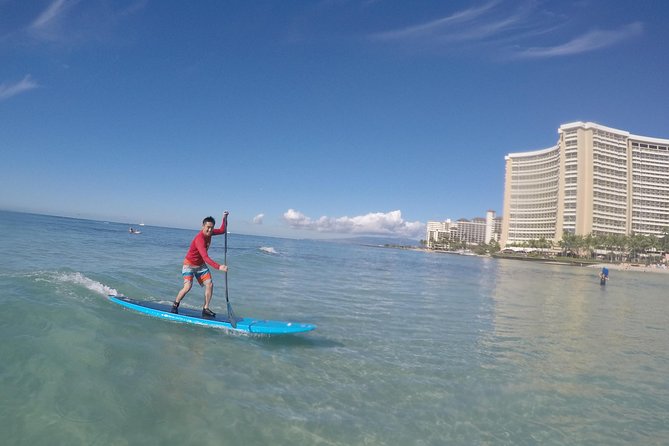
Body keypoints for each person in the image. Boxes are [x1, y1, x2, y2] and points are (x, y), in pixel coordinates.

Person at [171, 212, 229, 316]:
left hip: (200, 265)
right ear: (203, 226)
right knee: (187, 287)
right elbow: (205, 257)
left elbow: (222, 230)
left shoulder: (210, 233)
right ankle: (175, 305)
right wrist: (219, 267)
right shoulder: (199, 239)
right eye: (207, 227)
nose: (210, 230)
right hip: (189, 265)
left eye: (212, 227)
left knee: (209, 285)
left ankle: (205, 308)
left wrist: (224, 218)